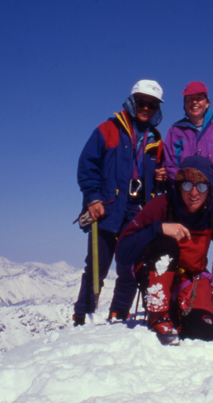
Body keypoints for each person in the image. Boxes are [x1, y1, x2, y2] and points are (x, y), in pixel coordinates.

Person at [115, 156, 213, 345]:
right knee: (166, 244)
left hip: (190, 278)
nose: (194, 193)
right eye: (188, 185)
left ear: (211, 188)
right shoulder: (162, 205)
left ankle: (174, 310)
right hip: (155, 272)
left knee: (202, 331)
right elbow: (123, 250)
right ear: (179, 185)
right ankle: (158, 315)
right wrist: (159, 229)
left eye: (202, 187)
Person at [73, 79, 167, 326]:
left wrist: (160, 177)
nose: (146, 108)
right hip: (107, 207)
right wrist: (93, 198)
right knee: (97, 265)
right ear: (132, 101)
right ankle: (83, 317)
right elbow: (87, 165)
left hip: (136, 209)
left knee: (129, 266)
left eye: (152, 105)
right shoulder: (108, 129)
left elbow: (158, 176)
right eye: (142, 102)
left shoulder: (155, 140)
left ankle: (119, 316)